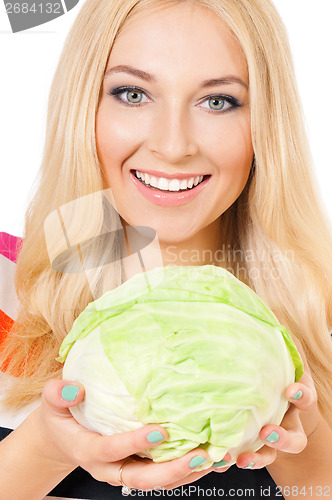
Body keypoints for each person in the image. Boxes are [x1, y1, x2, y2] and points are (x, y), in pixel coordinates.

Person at [0, 0, 332, 498]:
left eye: (218, 101)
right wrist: (44, 446)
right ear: (83, 107)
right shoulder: (5, 289)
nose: (173, 145)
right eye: (132, 93)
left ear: (266, 125)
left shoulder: (320, 308)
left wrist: (307, 456)